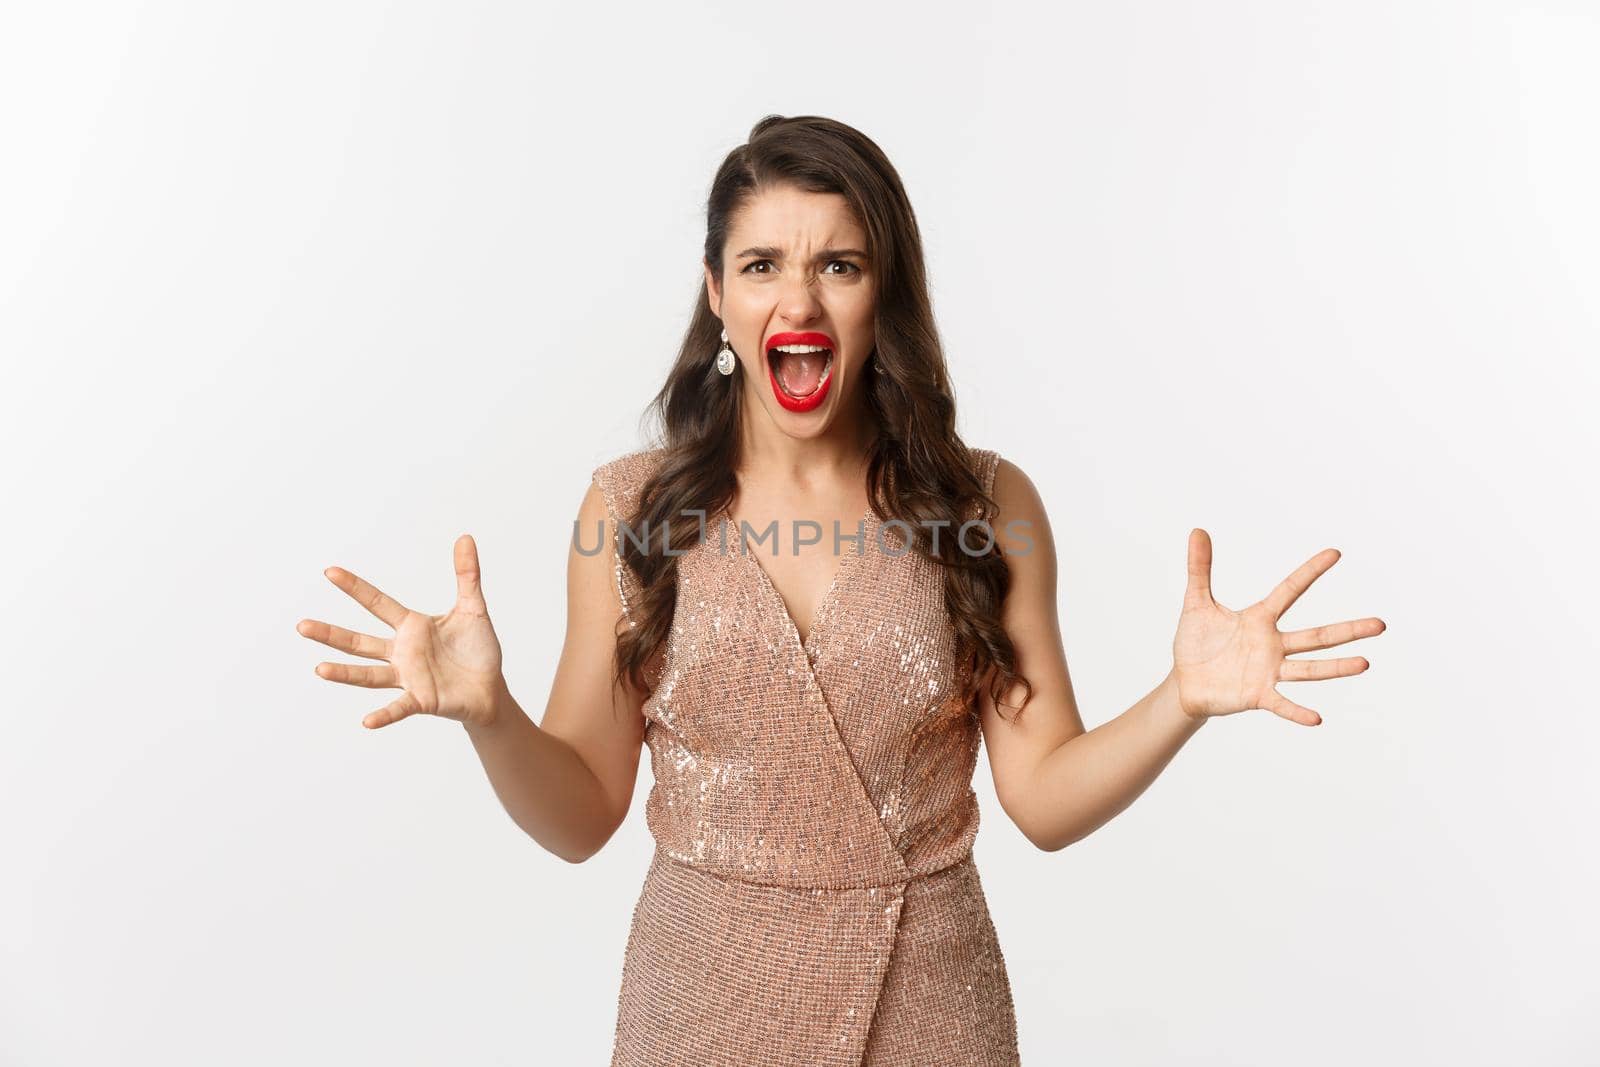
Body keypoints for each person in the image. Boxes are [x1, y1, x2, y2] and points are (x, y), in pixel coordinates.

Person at [295, 114, 1386, 1066]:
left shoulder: (985, 505)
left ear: (883, 295)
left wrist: (1180, 700)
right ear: (717, 295)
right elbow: (582, 811)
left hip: (929, 1006)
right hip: (699, 1008)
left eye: (841, 265)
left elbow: (1044, 796)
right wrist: (489, 716)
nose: (798, 294)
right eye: (762, 263)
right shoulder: (628, 511)